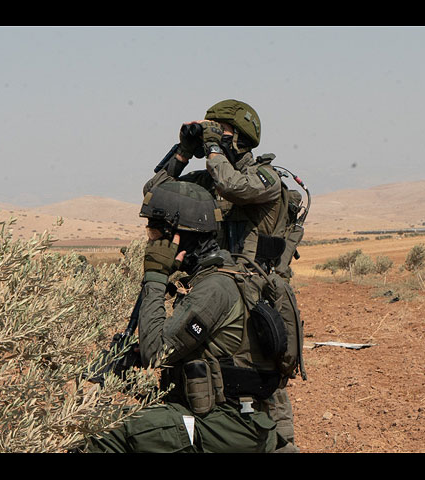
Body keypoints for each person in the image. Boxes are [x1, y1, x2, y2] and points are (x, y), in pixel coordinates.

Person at [143, 99, 304, 452]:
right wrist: (183, 152)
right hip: (214, 286)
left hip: (255, 296)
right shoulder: (211, 177)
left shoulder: (266, 179)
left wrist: (214, 145)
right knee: (202, 372)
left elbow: (233, 187)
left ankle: (275, 442)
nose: (209, 138)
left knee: (257, 384)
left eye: (219, 130)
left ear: (241, 138)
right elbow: (156, 193)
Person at [84, 181, 286, 453]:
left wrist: (155, 275)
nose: (151, 242)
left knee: (103, 432)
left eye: (155, 233)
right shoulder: (214, 278)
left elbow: (156, 353)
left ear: (178, 235)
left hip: (229, 427)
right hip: (220, 419)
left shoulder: (215, 288)